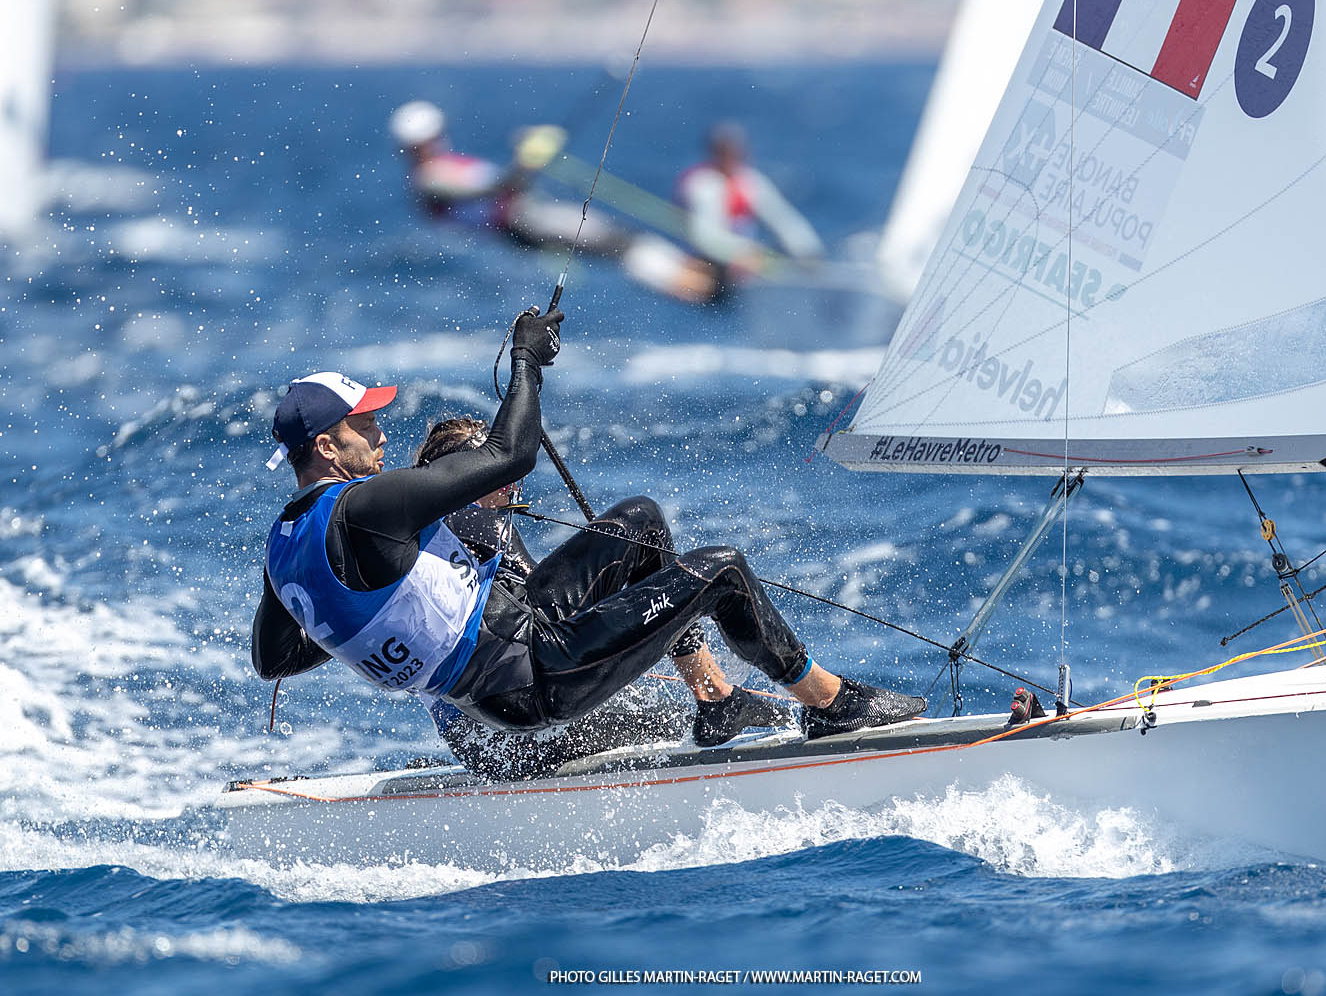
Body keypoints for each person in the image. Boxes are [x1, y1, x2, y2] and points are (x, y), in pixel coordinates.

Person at [252, 306, 926, 763]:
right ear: (327, 446)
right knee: (719, 571)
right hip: (527, 678)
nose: (379, 433)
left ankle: (716, 701)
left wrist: (380, 625)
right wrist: (525, 360)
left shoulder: (284, 547)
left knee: (637, 521)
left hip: (511, 636)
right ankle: (832, 705)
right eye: (363, 425)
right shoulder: (363, 507)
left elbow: (275, 658)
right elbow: (510, 455)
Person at [411, 415, 792, 777]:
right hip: (507, 743)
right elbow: (548, 628)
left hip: (488, 738)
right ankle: (717, 700)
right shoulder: (461, 519)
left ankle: (715, 697)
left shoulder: (438, 533)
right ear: (463, 475)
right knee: (667, 724)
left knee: (642, 520)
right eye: (494, 468)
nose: (508, 480)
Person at [389, 100, 715, 303]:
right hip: (523, 223)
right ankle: (699, 287)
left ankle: (699, 278)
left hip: (527, 217)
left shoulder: (442, 168)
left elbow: (505, 185)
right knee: (616, 244)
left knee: (619, 241)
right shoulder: (429, 180)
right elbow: (497, 188)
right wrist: (527, 159)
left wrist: (527, 162)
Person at [676, 121, 825, 291]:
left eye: (736, 152)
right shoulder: (703, 185)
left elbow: (783, 219)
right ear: (715, 153)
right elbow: (704, 237)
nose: (732, 157)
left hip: (745, 261)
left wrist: (809, 252)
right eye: (726, 152)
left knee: (791, 252)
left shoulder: (751, 181)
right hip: (706, 262)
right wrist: (742, 252)